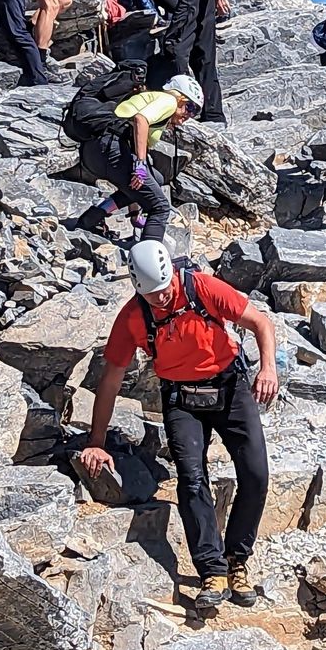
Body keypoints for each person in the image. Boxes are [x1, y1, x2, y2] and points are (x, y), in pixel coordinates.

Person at [79, 240, 279, 616]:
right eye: (152, 295)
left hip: (230, 388)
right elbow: (111, 380)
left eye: (165, 289)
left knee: (255, 474)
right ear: (138, 288)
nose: (162, 298)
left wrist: (268, 368)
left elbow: (260, 323)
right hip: (182, 399)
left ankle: (238, 560)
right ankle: (212, 572)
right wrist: (97, 441)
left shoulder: (201, 287)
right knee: (191, 478)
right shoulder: (133, 317)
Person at [70, 72, 204, 243]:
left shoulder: (153, 101)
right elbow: (141, 119)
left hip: (95, 151)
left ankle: (91, 218)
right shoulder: (168, 101)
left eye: (195, 112)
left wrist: (134, 213)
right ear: (178, 97)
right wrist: (139, 164)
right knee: (160, 207)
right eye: (190, 107)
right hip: (111, 148)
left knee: (156, 178)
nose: (189, 115)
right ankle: (149, 260)